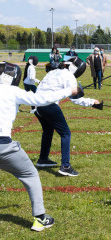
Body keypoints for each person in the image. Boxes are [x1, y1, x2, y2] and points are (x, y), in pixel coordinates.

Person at [0, 61, 78, 231]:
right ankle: (40, 218)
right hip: (3, 147)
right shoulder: (12, 91)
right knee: (30, 175)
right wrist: (68, 91)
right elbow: (41, 99)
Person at [35, 57, 100, 177]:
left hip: (37, 105)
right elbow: (75, 100)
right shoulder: (69, 76)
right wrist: (93, 102)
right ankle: (65, 166)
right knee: (66, 134)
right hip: (49, 105)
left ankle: (43, 159)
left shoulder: (53, 71)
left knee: (48, 131)